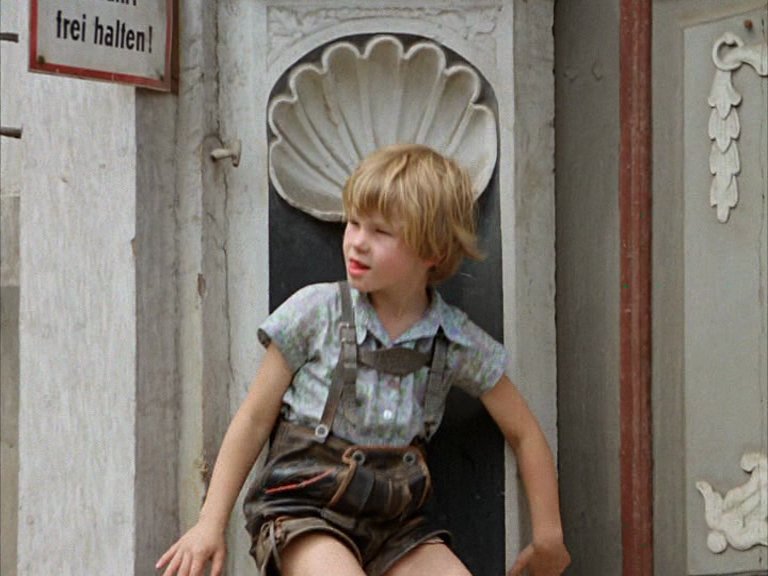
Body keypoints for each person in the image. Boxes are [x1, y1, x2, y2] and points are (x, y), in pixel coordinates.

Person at [156, 144, 570, 576]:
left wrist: (548, 535)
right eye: (353, 223)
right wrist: (210, 523)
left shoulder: (453, 340)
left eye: (380, 232)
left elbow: (524, 432)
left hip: (396, 527)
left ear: (431, 250)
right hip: (303, 511)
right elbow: (254, 418)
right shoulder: (316, 312)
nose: (357, 242)